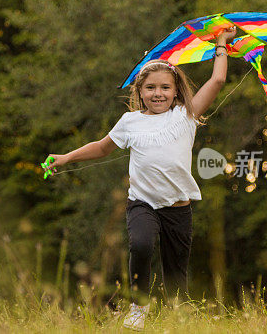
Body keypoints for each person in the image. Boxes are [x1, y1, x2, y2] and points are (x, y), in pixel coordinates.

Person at [43, 27, 237, 331]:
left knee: (176, 273)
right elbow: (102, 147)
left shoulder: (186, 115)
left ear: (175, 91)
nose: (157, 93)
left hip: (178, 207)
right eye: (150, 88)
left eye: (164, 88)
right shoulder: (129, 121)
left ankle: (180, 316)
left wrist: (221, 46)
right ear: (139, 91)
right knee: (142, 245)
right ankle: (138, 305)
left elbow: (218, 80)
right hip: (142, 203)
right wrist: (67, 157)